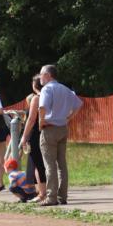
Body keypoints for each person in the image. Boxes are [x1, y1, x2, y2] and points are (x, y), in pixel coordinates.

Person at [36, 65, 83, 206]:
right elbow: (79, 104)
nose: (40, 77)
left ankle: (51, 197)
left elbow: (42, 107)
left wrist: (41, 122)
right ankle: (63, 196)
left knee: (49, 165)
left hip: (49, 129)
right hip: (63, 128)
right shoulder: (65, 89)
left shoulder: (47, 89)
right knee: (62, 164)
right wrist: (69, 118)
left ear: (48, 75)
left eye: (41, 74)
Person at [18, 75, 47, 202]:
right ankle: (41, 191)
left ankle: (42, 193)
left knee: (37, 163)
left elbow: (31, 119)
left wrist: (24, 137)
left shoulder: (36, 98)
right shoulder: (49, 96)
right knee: (45, 164)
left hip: (35, 133)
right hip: (47, 131)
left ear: (34, 85)